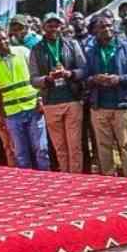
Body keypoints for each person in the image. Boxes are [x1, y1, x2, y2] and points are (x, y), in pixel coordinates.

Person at [82, 13, 127, 176]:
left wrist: (119, 79)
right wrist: (95, 79)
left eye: (110, 26)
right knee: (103, 145)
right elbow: (84, 78)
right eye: (102, 27)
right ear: (95, 30)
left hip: (122, 105)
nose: (107, 29)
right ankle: (108, 179)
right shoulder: (89, 52)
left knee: (125, 145)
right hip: (99, 106)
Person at [0, 23, 48, 170]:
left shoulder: (23, 51)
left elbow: (37, 77)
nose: (2, 43)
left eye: (4, 39)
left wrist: (40, 99)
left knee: (41, 149)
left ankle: (46, 180)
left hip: (33, 106)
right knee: (20, 153)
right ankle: (26, 185)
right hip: (12, 112)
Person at [30, 12, 87, 173]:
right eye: (50, 25)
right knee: (59, 146)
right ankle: (64, 177)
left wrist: (70, 74)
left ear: (61, 26)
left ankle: (75, 178)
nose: (53, 28)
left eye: (56, 25)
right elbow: (33, 79)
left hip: (71, 99)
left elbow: (84, 69)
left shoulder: (72, 44)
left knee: (74, 145)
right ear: (43, 27)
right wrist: (47, 79)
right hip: (50, 101)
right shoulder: (36, 49)